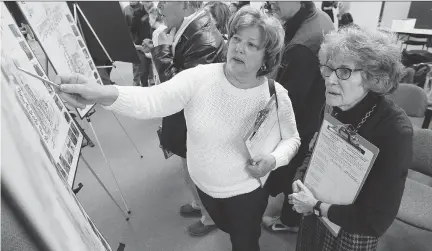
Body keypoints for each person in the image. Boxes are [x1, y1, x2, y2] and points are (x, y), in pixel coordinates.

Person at [56, 7, 300, 251]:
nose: (238, 47)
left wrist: (273, 159)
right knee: (227, 230)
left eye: (251, 44)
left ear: (267, 56)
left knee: (244, 242)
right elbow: (152, 99)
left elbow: (292, 139)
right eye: (236, 38)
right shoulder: (200, 78)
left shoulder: (275, 95)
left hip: (246, 194)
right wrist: (100, 93)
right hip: (204, 189)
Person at [288, 27, 413, 251]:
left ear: (372, 77)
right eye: (328, 68)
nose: (330, 80)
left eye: (344, 71)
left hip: (351, 228)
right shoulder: (331, 105)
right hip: (314, 208)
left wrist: (317, 206)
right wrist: (300, 182)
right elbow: (314, 152)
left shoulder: (394, 130)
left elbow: (375, 220)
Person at [142, 1, 226, 236]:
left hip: (196, 122)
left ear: (186, 4)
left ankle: (210, 218)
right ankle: (202, 206)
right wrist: (159, 50)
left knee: (197, 171)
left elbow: (177, 91)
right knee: (190, 169)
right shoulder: (188, 29)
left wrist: (162, 52)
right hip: (189, 122)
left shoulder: (203, 38)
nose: (159, 8)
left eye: (165, 2)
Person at [262, 1, 334, 233]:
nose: (271, 2)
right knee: (303, 165)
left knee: (293, 166)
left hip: (302, 116)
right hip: (318, 107)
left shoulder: (302, 45)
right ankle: (290, 215)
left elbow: (286, 100)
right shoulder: (321, 17)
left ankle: (290, 221)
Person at [123, 1, 152, 86]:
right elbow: (126, 25)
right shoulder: (126, 9)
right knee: (135, 60)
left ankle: (150, 78)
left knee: (148, 60)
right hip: (134, 38)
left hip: (146, 38)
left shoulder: (146, 8)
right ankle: (136, 80)